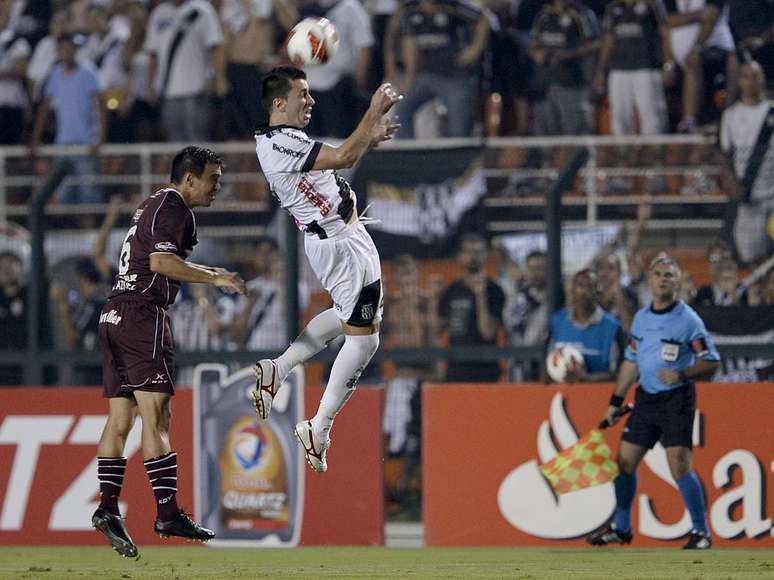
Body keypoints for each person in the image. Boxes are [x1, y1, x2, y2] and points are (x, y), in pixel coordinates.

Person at [92, 146, 245, 558]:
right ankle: (167, 512)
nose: (218, 186)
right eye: (213, 178)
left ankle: (107, 507)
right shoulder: (176, 207)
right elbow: (161, 263)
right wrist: (215, 277)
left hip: (113, 314)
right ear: (189, 178)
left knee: (120, 419)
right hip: (142, 316)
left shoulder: (150, 204)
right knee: (157, 416)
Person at [252, 65, 400, 473]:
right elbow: (346, 155)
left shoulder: (285, 138)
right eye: (303, 94)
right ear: (279, 103)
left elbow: (337, 163)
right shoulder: (279, 145)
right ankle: (319, 426)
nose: (311, 100)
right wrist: (372, 113)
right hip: (340, 243)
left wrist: (369, 138)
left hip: (343, 236)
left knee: (349, 318)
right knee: (365, 342)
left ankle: (278, 368)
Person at [588, 252, 720, 550]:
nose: (663, 279)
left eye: (669, 275)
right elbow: (631, 362)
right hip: (646, 399)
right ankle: (621, 528)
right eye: (658, 274)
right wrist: (615, 401)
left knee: (679, 465)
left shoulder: (688, 320)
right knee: (622, 463)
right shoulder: (641, 319)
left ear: (676, 282)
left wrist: (683, 374)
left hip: (677, 399)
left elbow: (712, 362)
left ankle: (702, 532)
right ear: (649, 280)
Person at [720, 61, 774, 265]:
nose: (751, 81)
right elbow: (725, 154)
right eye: (746, 76)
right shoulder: (731, 115)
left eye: (755, 76)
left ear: (763, 79)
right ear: (739, 81)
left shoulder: (771, 112)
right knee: (752, 258)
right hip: (750, 199)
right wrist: (732, 183)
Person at [438, 233, 506, 382]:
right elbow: (438, 330)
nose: (473, 257)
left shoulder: (494, 289)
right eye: (468, 252)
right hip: (455, 370)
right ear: (460, 256)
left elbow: (488, 332)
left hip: (485, 371)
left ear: (485, 256)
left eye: (478, 252)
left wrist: (480, 296)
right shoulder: (451, 290)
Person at [547, 268, 625, 383]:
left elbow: (620, 374)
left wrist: (587, 378)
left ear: (598, 293)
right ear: (572, 290)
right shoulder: (557, 321)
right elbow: (547, 362)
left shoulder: (612, 327)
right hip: (560, 394)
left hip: (597, 396)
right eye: (580, 285)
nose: (585, 291)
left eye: (590, 286)